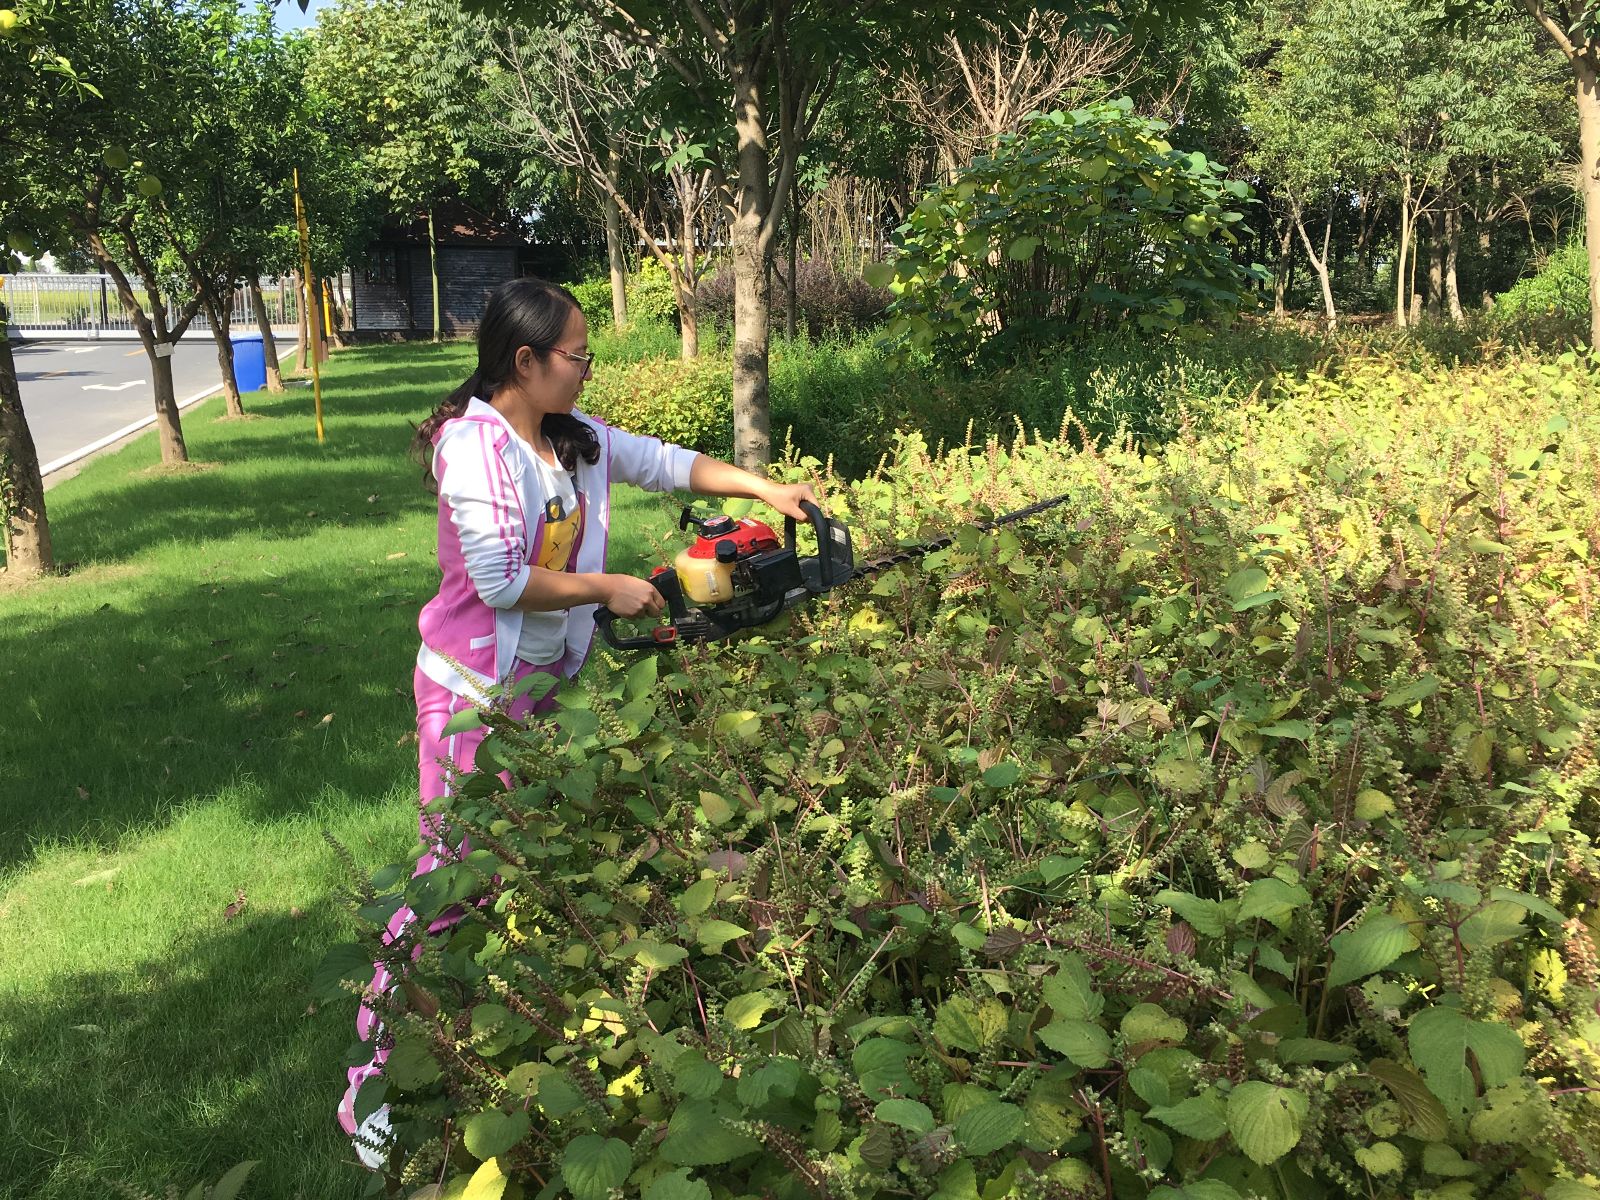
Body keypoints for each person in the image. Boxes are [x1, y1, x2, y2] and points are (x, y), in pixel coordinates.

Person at [336, 277, 815, 1163]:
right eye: (578, 355)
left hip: (547, 686)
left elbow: (663, 461)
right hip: (472, 693)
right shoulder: (473, 448)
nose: (589, 368)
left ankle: (518, 1027)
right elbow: (498, 580)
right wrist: (607, 588)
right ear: (525, 361)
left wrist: (765, 488)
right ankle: (368, 1076)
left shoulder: (568, 439)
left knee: (541, 853)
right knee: (449, 877)